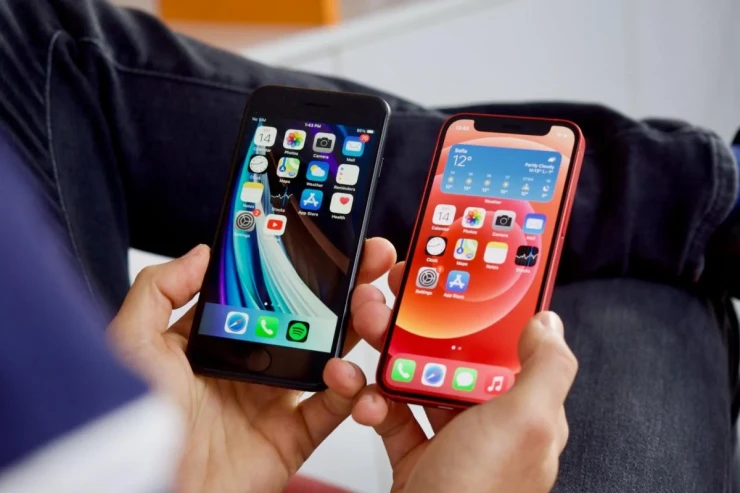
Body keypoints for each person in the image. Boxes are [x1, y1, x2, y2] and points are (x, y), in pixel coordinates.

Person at [0, 0, 737, 491]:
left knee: (25, 32)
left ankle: (708, 208)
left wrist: (175, 472)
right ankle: (713, 209)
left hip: (165, 450)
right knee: (644, 300)